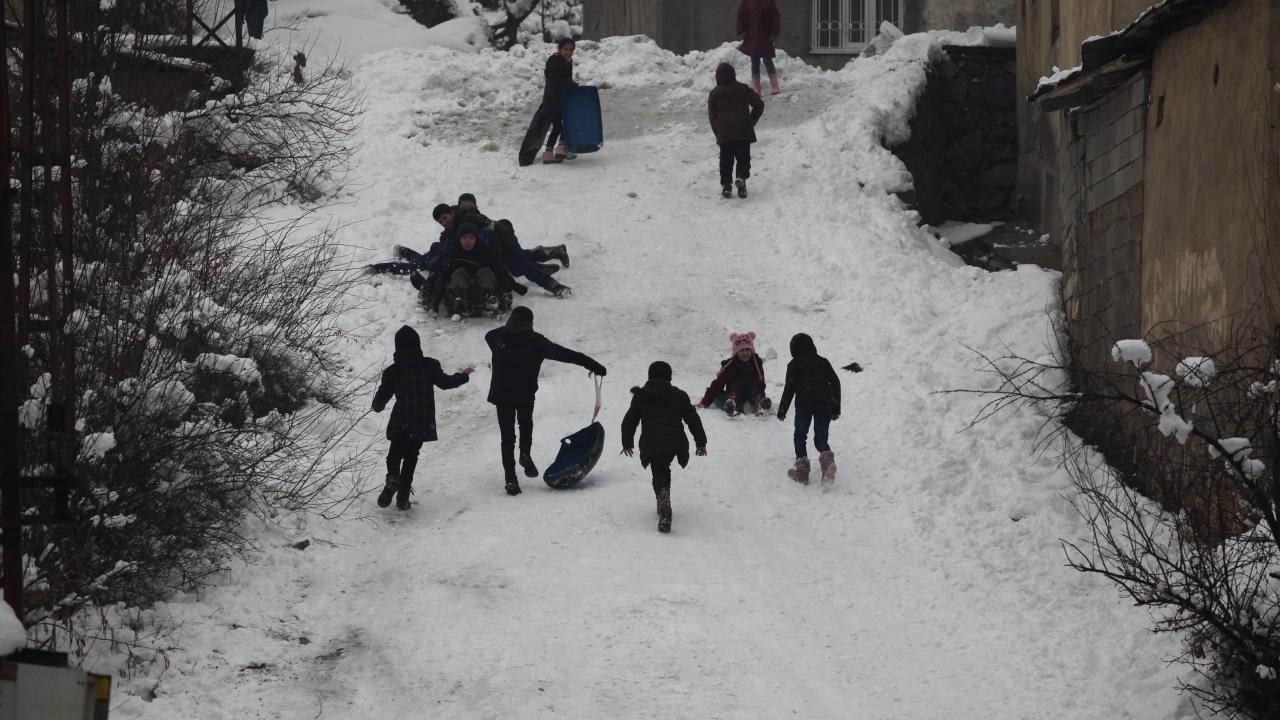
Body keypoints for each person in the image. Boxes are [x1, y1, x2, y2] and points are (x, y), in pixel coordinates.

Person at [485, 306, 606, 496]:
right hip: (524, 393)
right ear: (529, 324)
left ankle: (510, 479)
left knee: (507, 437)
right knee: (525, 424)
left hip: (501, 395)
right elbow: (566, 354)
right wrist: (593, 365)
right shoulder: (536, 341)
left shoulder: (497, 337)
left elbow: (489, 335)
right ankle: (525, 453)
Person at [371, 325, 474, 510]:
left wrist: (377, 405)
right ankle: (402, 497)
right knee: (411, 456)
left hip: (401, 418)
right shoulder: (429, 365)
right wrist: (463, 376)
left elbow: (379, 403)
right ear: (417, 344)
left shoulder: (392, 371)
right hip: (421, 420)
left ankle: (392, 478)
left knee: (395, 452)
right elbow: (445, 383)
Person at [622, 361, 708, 534]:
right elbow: (693, 419)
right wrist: (701, 442)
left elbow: (629, 421)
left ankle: (664, 503)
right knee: (663, 467)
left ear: (649, 376)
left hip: (651, 442)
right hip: (674, 442)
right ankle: (664, 502)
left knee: (659, 469)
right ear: (669, 377)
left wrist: (627, 443)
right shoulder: (678, 395)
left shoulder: (641, 396)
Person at [776, 333, 841, 486]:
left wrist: (782, 410)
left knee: (800, 434)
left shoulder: (793, 364)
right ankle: (827, 462)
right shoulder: (823, 362)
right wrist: (835, 407)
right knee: (820, 436)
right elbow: (835, 383)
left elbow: (789, 388)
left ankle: (802, 470)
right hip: (823, 403)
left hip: (804, 405)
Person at [438, 223, 525, 318]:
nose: (468, 241)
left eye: (471, 238)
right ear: (459, 239)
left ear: (476, 238)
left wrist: (513, 285)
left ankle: (488, 297)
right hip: (462, 285)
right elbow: (444, 273)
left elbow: (498, 269)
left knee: (485, 270)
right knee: (459, 271)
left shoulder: (484, 250)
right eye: (464, 238)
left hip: (481, 284)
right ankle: (459, 299)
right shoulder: (453, 251)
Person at [708, 63, 764, 199]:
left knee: (725, 160)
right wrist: (750, 122)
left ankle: (727, 185)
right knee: (743, 157)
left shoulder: (714, 93)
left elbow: (712, 116)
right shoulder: (742, 89)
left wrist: (718, 132)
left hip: (725, 131)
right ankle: (741, 179)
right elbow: (759, 104)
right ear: (733, 74)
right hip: (742, 130)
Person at [698, 332, 770, 415]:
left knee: (753, 385)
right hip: (734, 394)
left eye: (748, 350)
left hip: (751, 393)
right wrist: (704, 402)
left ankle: (758, 404)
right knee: (719, 393)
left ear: (752, 350)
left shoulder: (756, 363)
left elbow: (760, 382)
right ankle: (731, 405)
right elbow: (717, 384)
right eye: (742, 350)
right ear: (736, 352)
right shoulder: (730, 365)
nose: (745, 353)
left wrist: (761, 395)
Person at [540, 38, 579, 165]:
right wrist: (571, 84)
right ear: (560, 49)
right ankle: (557, 150)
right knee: (560, 127)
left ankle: (552, 152)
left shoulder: (566, 61)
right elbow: (554, 81)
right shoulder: (556, 61)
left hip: (559, 100)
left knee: (560, 126)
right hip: (553, 101)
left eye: (571, 50)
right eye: (565, 49)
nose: (568, 52)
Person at [736, 0, 782, 96]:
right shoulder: (746, 2)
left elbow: (775, 16)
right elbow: (740, 15)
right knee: (754, 61)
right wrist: (742, 30)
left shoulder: (769, 2)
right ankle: (757, 90)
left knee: (767, 60)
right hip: (751, 37)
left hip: (765, 36)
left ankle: (774, 86)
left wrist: (774, 32)